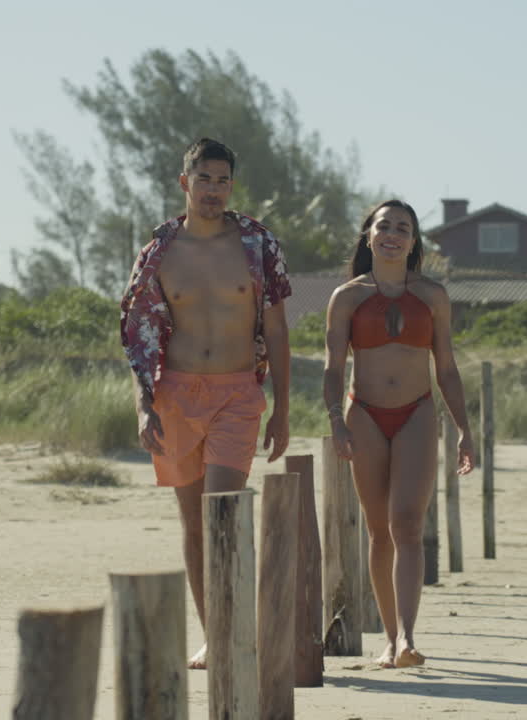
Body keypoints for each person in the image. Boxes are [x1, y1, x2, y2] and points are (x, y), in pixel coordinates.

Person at [120, 137, 292, 670]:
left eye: (223, 180)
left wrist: (283, 408)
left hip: (237, 394)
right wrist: (144, 406)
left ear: (231, 185)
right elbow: (138, 334)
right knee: (194, 525)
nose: (214, 190)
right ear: (184, 183)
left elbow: (278, 330)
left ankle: (239, 625)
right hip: (174, 395)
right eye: (204, 179)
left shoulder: (257, 245)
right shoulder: (159, 252)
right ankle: (215, 635)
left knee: (224, 516)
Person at [322, 199, 474, 669]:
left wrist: (466, 429)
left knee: (407, 522)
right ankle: (389, 639)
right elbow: (333, 368)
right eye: (383, 225)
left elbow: (446, 369)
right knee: (378, 530)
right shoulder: (346, 297)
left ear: (413, 242)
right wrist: (336, 421)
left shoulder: (433, 296)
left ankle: (407, 637)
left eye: (403, 228)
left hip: (417, 413)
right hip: (364, 414)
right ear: (368, 235)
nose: (392, 233)